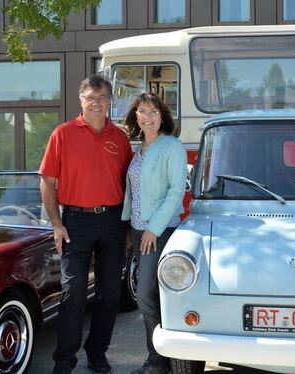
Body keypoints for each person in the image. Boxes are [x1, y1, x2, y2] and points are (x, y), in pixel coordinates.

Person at [40, 74, 133, 374]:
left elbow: (131, 186)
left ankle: (97, 353)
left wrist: (129, 227)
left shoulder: (119, 138)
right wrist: (56, 224)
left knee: (109, 294)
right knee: (73, 294)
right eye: (90, 98)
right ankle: (64, 360)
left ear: (109, 102)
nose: (96, 103)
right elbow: (47, 182)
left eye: (102, 98)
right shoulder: (63, 134)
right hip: (75, 223)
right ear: (81, 100)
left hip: (112, 222)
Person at [121, 92, 187, 374]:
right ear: (135, 116)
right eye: (143, 111)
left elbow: (176, 192)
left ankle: (159, 361)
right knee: (150, 293)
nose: (148, 117)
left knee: (147, 293)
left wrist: (152, 230)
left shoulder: (171, 146)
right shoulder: (140, 149)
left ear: (163, 116)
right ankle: (163, 358)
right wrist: (129, 227)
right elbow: (134, 194)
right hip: (137, 231)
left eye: (154, 112)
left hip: (159, 231)